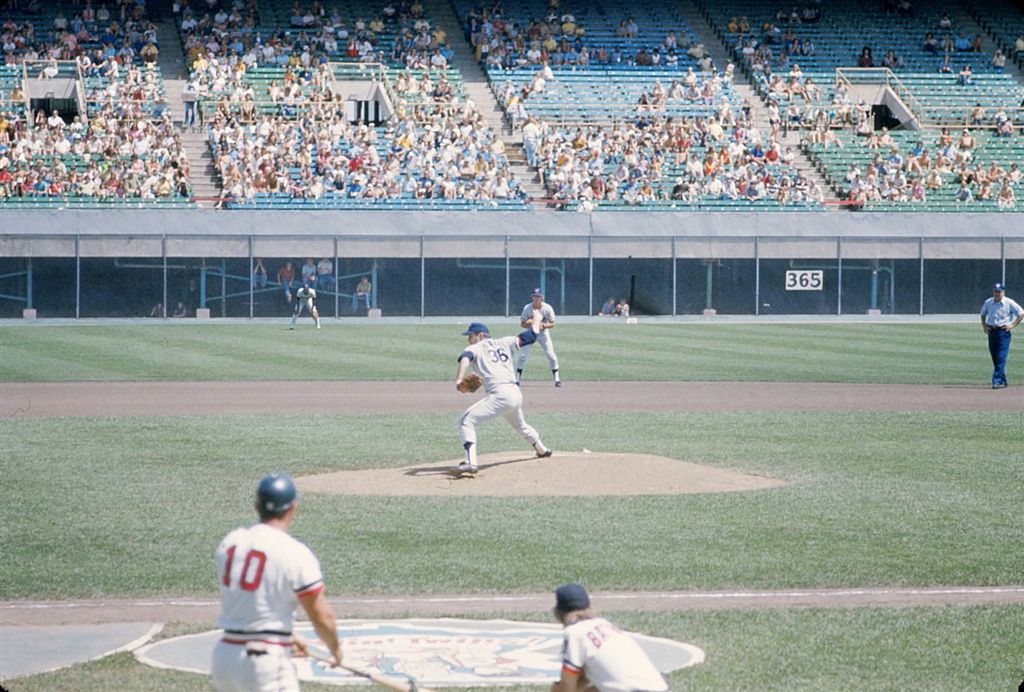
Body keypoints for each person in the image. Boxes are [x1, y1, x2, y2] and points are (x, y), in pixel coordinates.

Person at [211, 473, 342, 691]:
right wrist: (335, 650)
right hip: (265, 661)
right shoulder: (294, 552)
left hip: (225, 659)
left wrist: (288, 635)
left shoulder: (230, 543)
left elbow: (248, 601)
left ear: (257, 507)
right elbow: (321, 617)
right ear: (293, 508)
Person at [453, 318, 553, 475]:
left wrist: (459, 379)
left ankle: (471, 463)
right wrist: (536, 318)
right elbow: (531, 336)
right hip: (515, 393)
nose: (469, 339)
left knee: (465, 421)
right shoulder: (505, 342)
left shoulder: (475, 348)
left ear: (480, 335)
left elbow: (465, 357)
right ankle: (542, 450)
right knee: (521, 426)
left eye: (470, 335)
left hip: (500, 395)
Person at [550, 583, 669, 692]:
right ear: (589, 607)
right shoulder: (605, 625)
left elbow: (567, 686)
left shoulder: (574, 632)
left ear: (558, 612)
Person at [980, 282, 1023, 389]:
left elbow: (1021, 313)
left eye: (999, 292)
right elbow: (983, 314)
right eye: (995, 291)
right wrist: (984, 326)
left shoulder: (1009, 302)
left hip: (1003, 332)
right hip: (992, 332)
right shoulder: (988, 302)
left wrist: (1012, 325)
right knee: (995, 357)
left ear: (1003, 292)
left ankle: (996, 381)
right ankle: (1003, 380)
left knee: (1001, 357)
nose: (997, 294)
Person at [515, 288, 561, 387]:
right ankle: (517, 379)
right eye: (535, 296)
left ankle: (557, 379)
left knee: (551, 355)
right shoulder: (527, 308)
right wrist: (532, 323)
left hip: (543, 334)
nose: (536, 298)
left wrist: (543, 325)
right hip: (530, 333)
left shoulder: (547, 308)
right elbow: (522, 323)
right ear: (532, 297)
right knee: (522, 356)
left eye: (538, 296)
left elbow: (552, 323)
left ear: (542, 297)